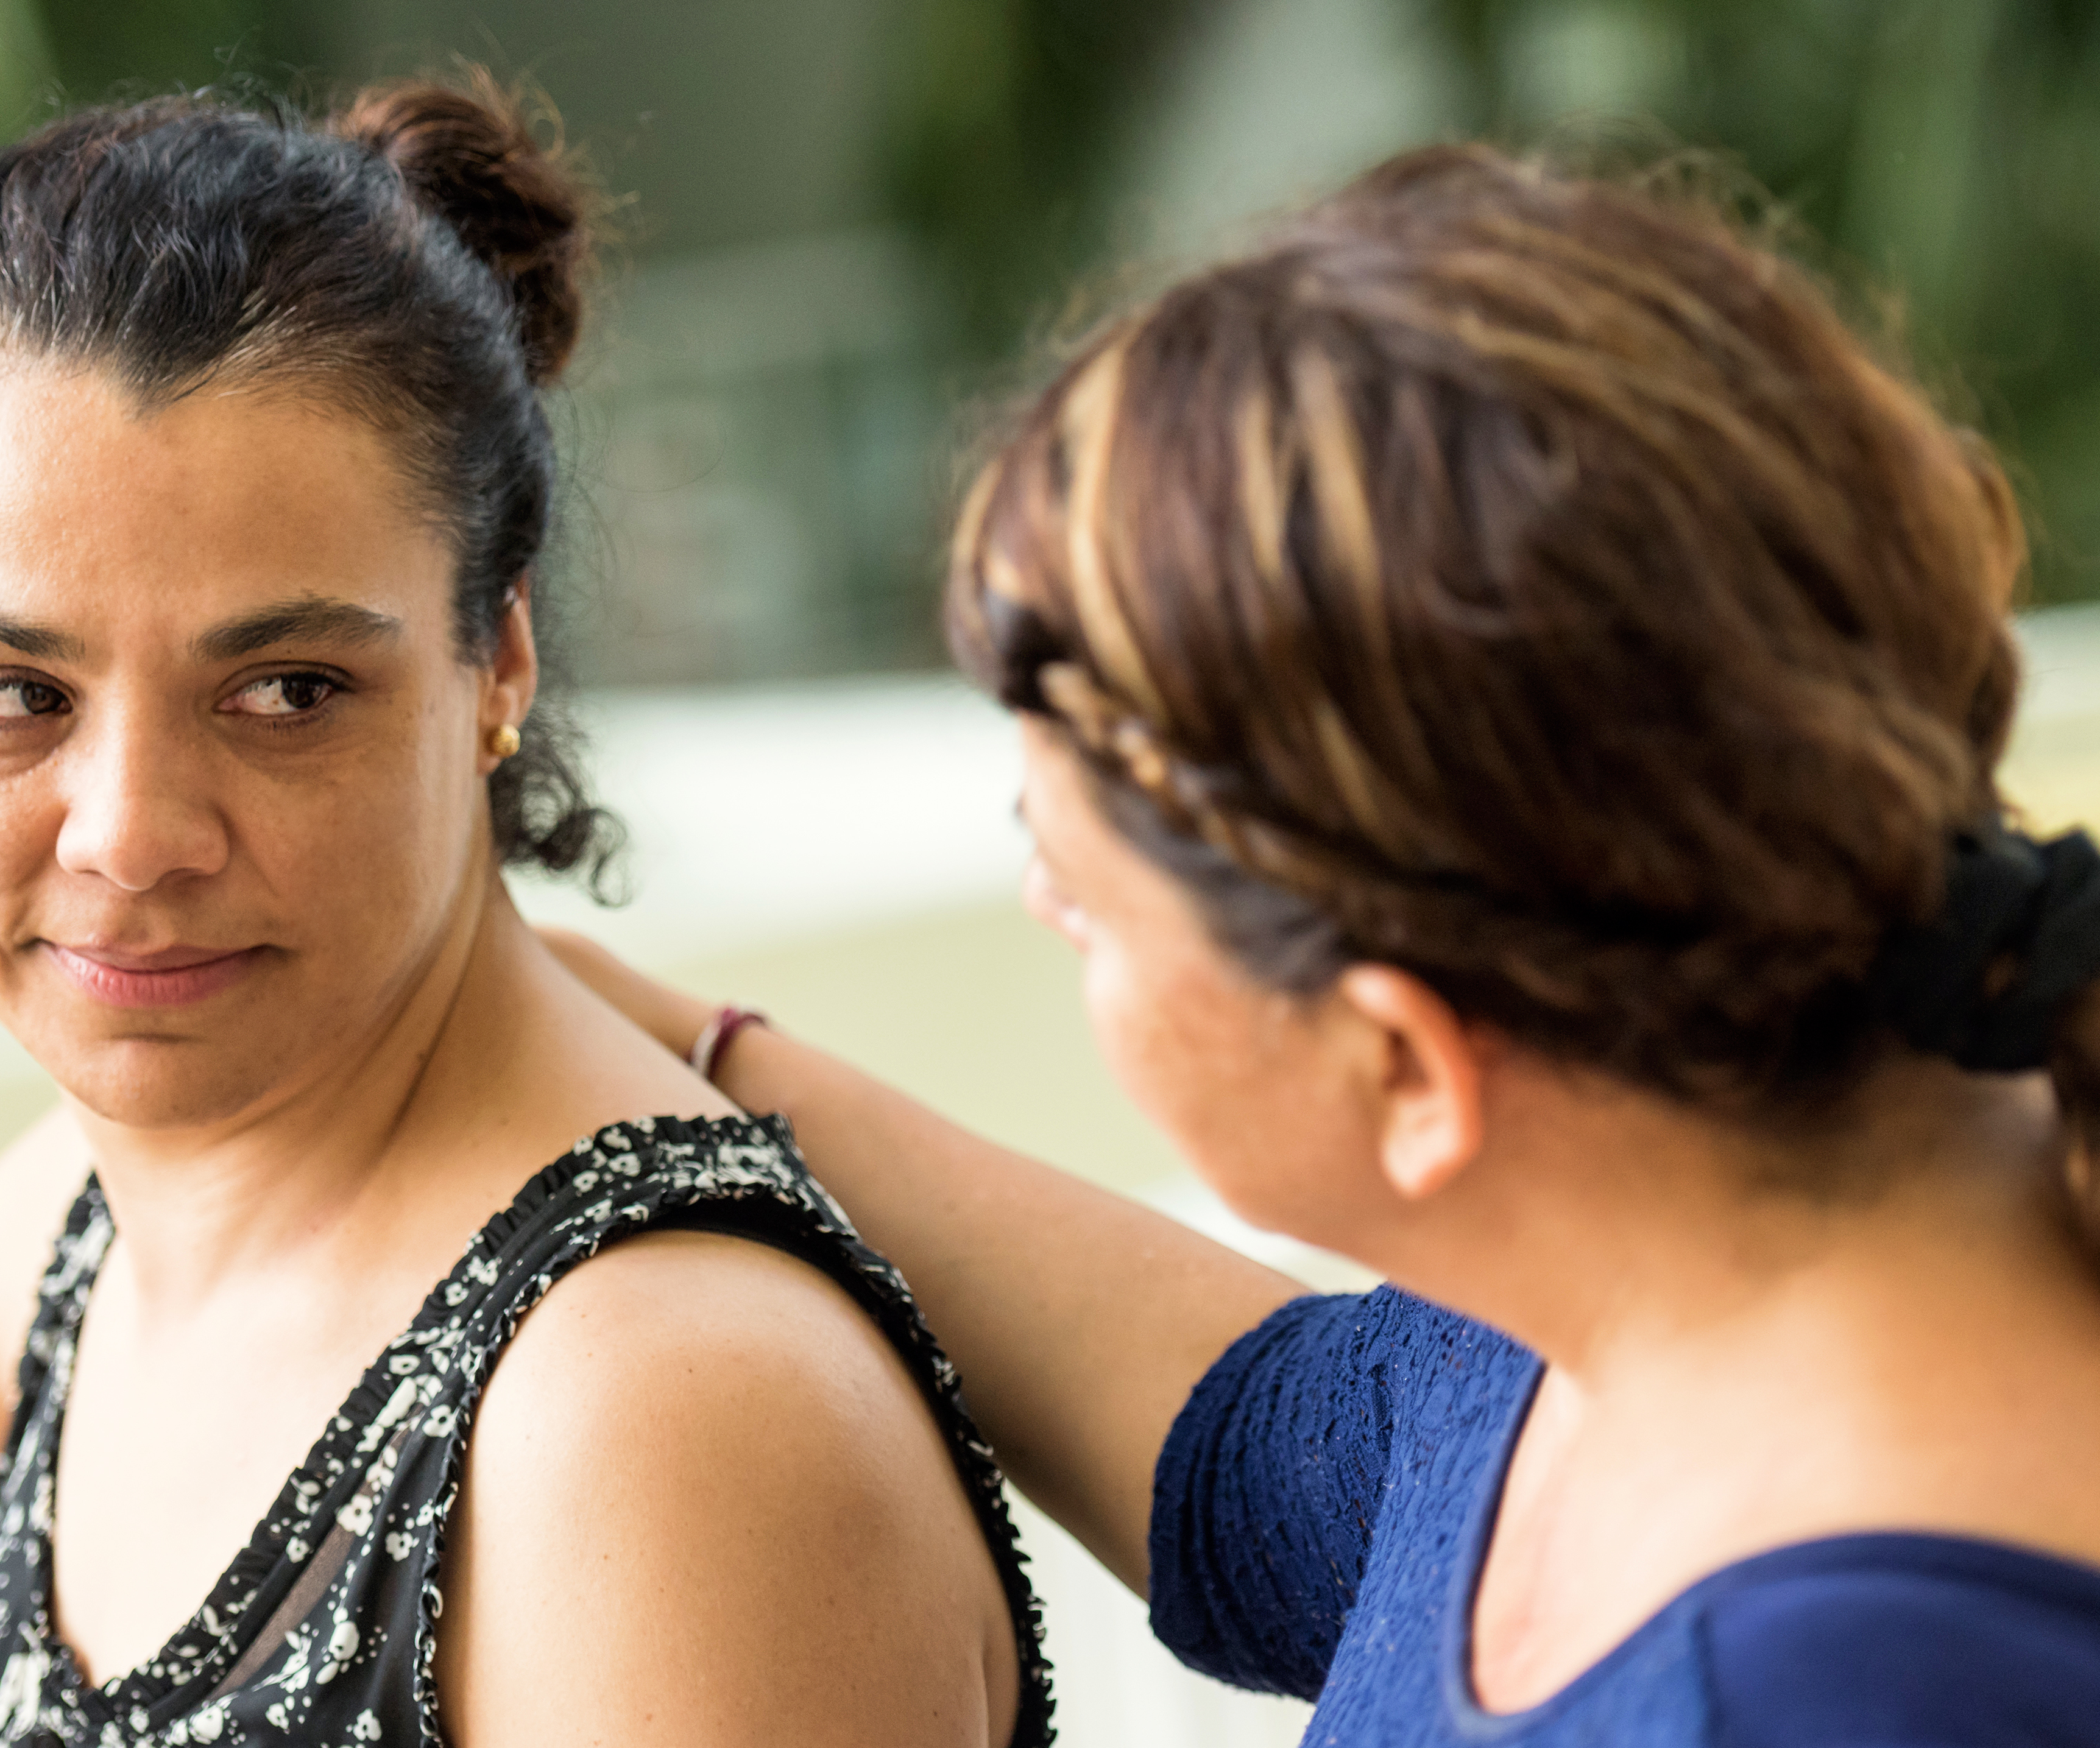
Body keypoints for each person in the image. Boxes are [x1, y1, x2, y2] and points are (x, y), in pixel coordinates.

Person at [0, 77, 1047, 1748]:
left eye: (289, 689)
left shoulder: (657, 1411)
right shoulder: (103, 1232)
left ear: (493, 658)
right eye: (10, 691)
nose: (132, 833)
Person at [551, 144, 2100, 1742]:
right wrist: (674, 1053)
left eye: (1079, 900)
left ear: (1402, 1064)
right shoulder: (1661, 1268)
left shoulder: (1844, 1696)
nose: (1042, 912)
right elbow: (1267, 1469)